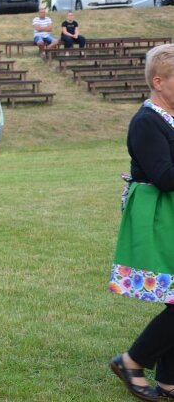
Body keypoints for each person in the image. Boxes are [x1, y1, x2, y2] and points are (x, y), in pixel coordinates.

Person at [108, 44, 174, 402]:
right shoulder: (146, 121)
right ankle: (132, 361)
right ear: (159, 82)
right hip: (159, 214)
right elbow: (164, 176)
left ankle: (168, 381)